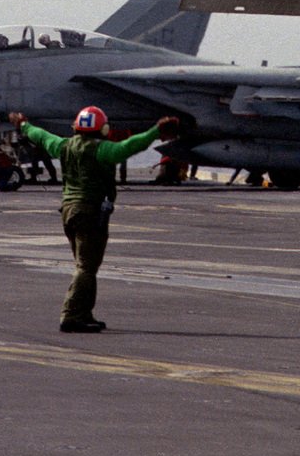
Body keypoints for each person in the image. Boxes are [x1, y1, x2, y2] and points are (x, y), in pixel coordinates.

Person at [9, 107, 178, 334]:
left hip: (69, 211)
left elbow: (41, 136)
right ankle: (71, 315)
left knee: (87, 264)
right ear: (104, 129)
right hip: (89, 211)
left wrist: (23, 125)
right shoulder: (102, 150)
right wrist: (155, 132)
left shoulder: (63, 146)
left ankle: (84, 313)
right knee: (86, 266)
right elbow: (128, 147)